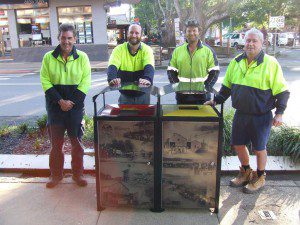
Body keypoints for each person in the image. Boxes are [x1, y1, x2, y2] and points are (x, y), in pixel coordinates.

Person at [205, 28, 290, 193]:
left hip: (261, 115)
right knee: (238, 144)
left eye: (254, 41)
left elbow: (283, 91)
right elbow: (226, 88)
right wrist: (215, 101)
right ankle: (245, 172)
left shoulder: (271, 63)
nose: (250, 44)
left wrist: (279, 112)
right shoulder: (236, 62)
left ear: (262, 43)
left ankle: (260, 176)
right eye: (248, 40)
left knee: (259, 148)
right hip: (241, 113)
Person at [40, 23, 91, 188]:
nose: (66, 41)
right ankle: (56, 175)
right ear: (59, 38)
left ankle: (78, 175)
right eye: (63, 38)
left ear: (75, 39)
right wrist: (60, 101)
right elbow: (45, 81)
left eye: (69, 38)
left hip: (75, 110)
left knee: (77, 144)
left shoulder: (82, 57)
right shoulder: (48, 57)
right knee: (56, 145)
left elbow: (85, 82)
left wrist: (71, 102)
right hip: (55, 109)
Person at [167, 19, 219, 104]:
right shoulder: (177, 51)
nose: (191, 33)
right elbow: (171, 71)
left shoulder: (208, 51)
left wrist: (206, 87)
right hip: (182, 97)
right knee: (182, 117)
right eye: (189, 31)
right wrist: (176, 87)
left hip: (203, 97)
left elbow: (215, 71)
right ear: (185, 33)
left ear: (199, 32)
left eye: (194, 30)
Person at [107, 23, 155, 104]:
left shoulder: (147, 50)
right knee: (125, 116)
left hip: (143, 95)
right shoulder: (119, 49)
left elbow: (149, 66)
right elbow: (112, 65)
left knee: (146, 116)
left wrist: (147, 79)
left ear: (141, 35)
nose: (134, 35)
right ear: (128, 34)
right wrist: (112, 78)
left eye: (137, 33)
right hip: (125, 96)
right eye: (131, 32)